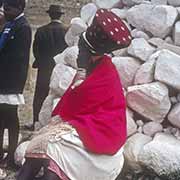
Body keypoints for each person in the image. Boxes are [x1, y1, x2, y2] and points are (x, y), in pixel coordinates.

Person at [17, 8, 132, 180]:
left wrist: (80, 76)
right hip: (84, 126)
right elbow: (72, 108)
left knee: (51, 154)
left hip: (102, 134)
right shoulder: (90, 69)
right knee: (37, 147)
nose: (79, 53)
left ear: (91, 54)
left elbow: (80, 107)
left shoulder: (105, 74)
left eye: (81, 50)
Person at [25, 5, 67, 131]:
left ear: (50, 15)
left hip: (44, 68)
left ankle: (36, 122)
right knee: (57, 96)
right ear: (60, 15)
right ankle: (54, 124)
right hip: (60, 70)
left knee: (39, 96)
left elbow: (35, 50)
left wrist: (41, 61)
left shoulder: (41, 30)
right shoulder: (66, 31)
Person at [0, 0, 32, 168]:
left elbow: (19, 59)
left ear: (19, 8)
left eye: (8, 8)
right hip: (2, 81)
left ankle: (11, 156)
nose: (5, 10)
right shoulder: (9, 24)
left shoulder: (23, 27)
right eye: (4, 7)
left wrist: (16, 85)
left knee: (11, 118)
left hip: (10, 83)